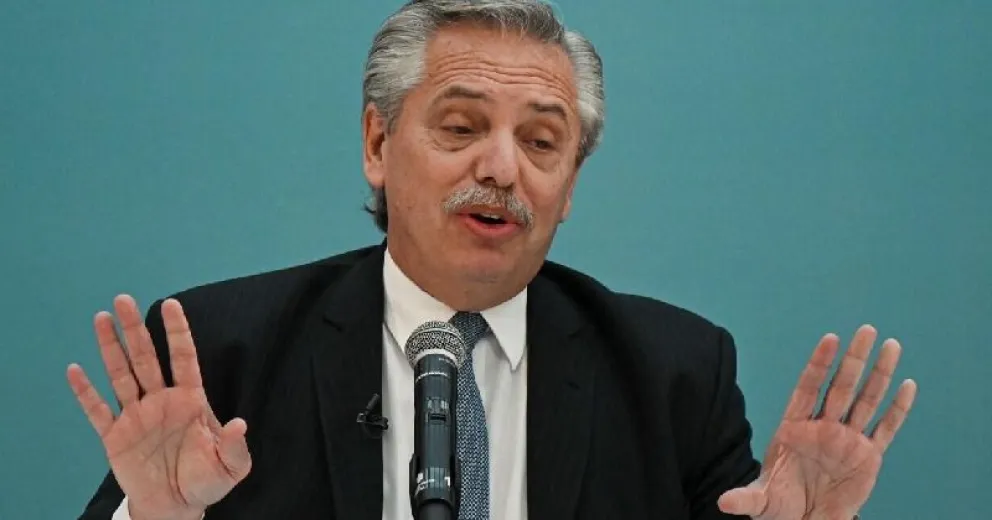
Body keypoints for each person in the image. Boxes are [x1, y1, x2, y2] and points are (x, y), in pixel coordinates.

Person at [67, 1, 918, 519]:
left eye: (542, 142)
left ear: (570, 181)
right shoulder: (223, 351)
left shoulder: (675, 375)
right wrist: (159, 516)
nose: (503, 169)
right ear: (377, 143)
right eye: (462, 126)